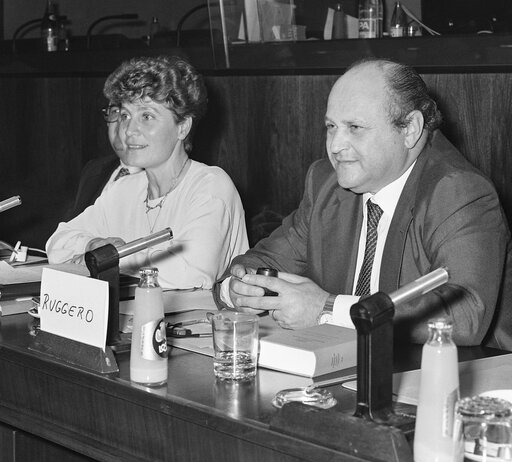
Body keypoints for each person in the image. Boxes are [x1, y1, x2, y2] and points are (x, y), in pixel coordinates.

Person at [214, 57, 512, 349]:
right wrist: (239, 290)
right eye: (331, 127)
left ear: (409, 129)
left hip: (457, 375)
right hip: (347, 369)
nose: (335, 146)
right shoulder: (326, 183)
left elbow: (467, 313)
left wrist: (327, 309)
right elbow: (259, 262)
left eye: (354, 127)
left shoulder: (457, 190)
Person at [47, 55, 249, 289]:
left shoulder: (211, 185)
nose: (129, 130)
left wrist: (110, 256)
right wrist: (93, 245)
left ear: (182, 126)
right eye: (125, 115)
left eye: (147, 116)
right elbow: (58, 244)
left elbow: (190, 272)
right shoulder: (125, 189)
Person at [64, 112, 142, 221]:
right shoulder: (94, 169)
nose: (120, 121)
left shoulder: (161, 178)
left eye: (126, 115)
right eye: (115, 111)